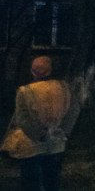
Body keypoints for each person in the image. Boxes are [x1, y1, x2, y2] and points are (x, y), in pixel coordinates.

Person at [1, 56, 80, 191]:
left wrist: (40, 136)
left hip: (31, 146)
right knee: (52, 182)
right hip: (57, 144)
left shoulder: (25, 91)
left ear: (33, 72)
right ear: (50, 71)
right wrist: (63, 132)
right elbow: (74, 111)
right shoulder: (64, 87)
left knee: (31, 183)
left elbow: (22, 120)